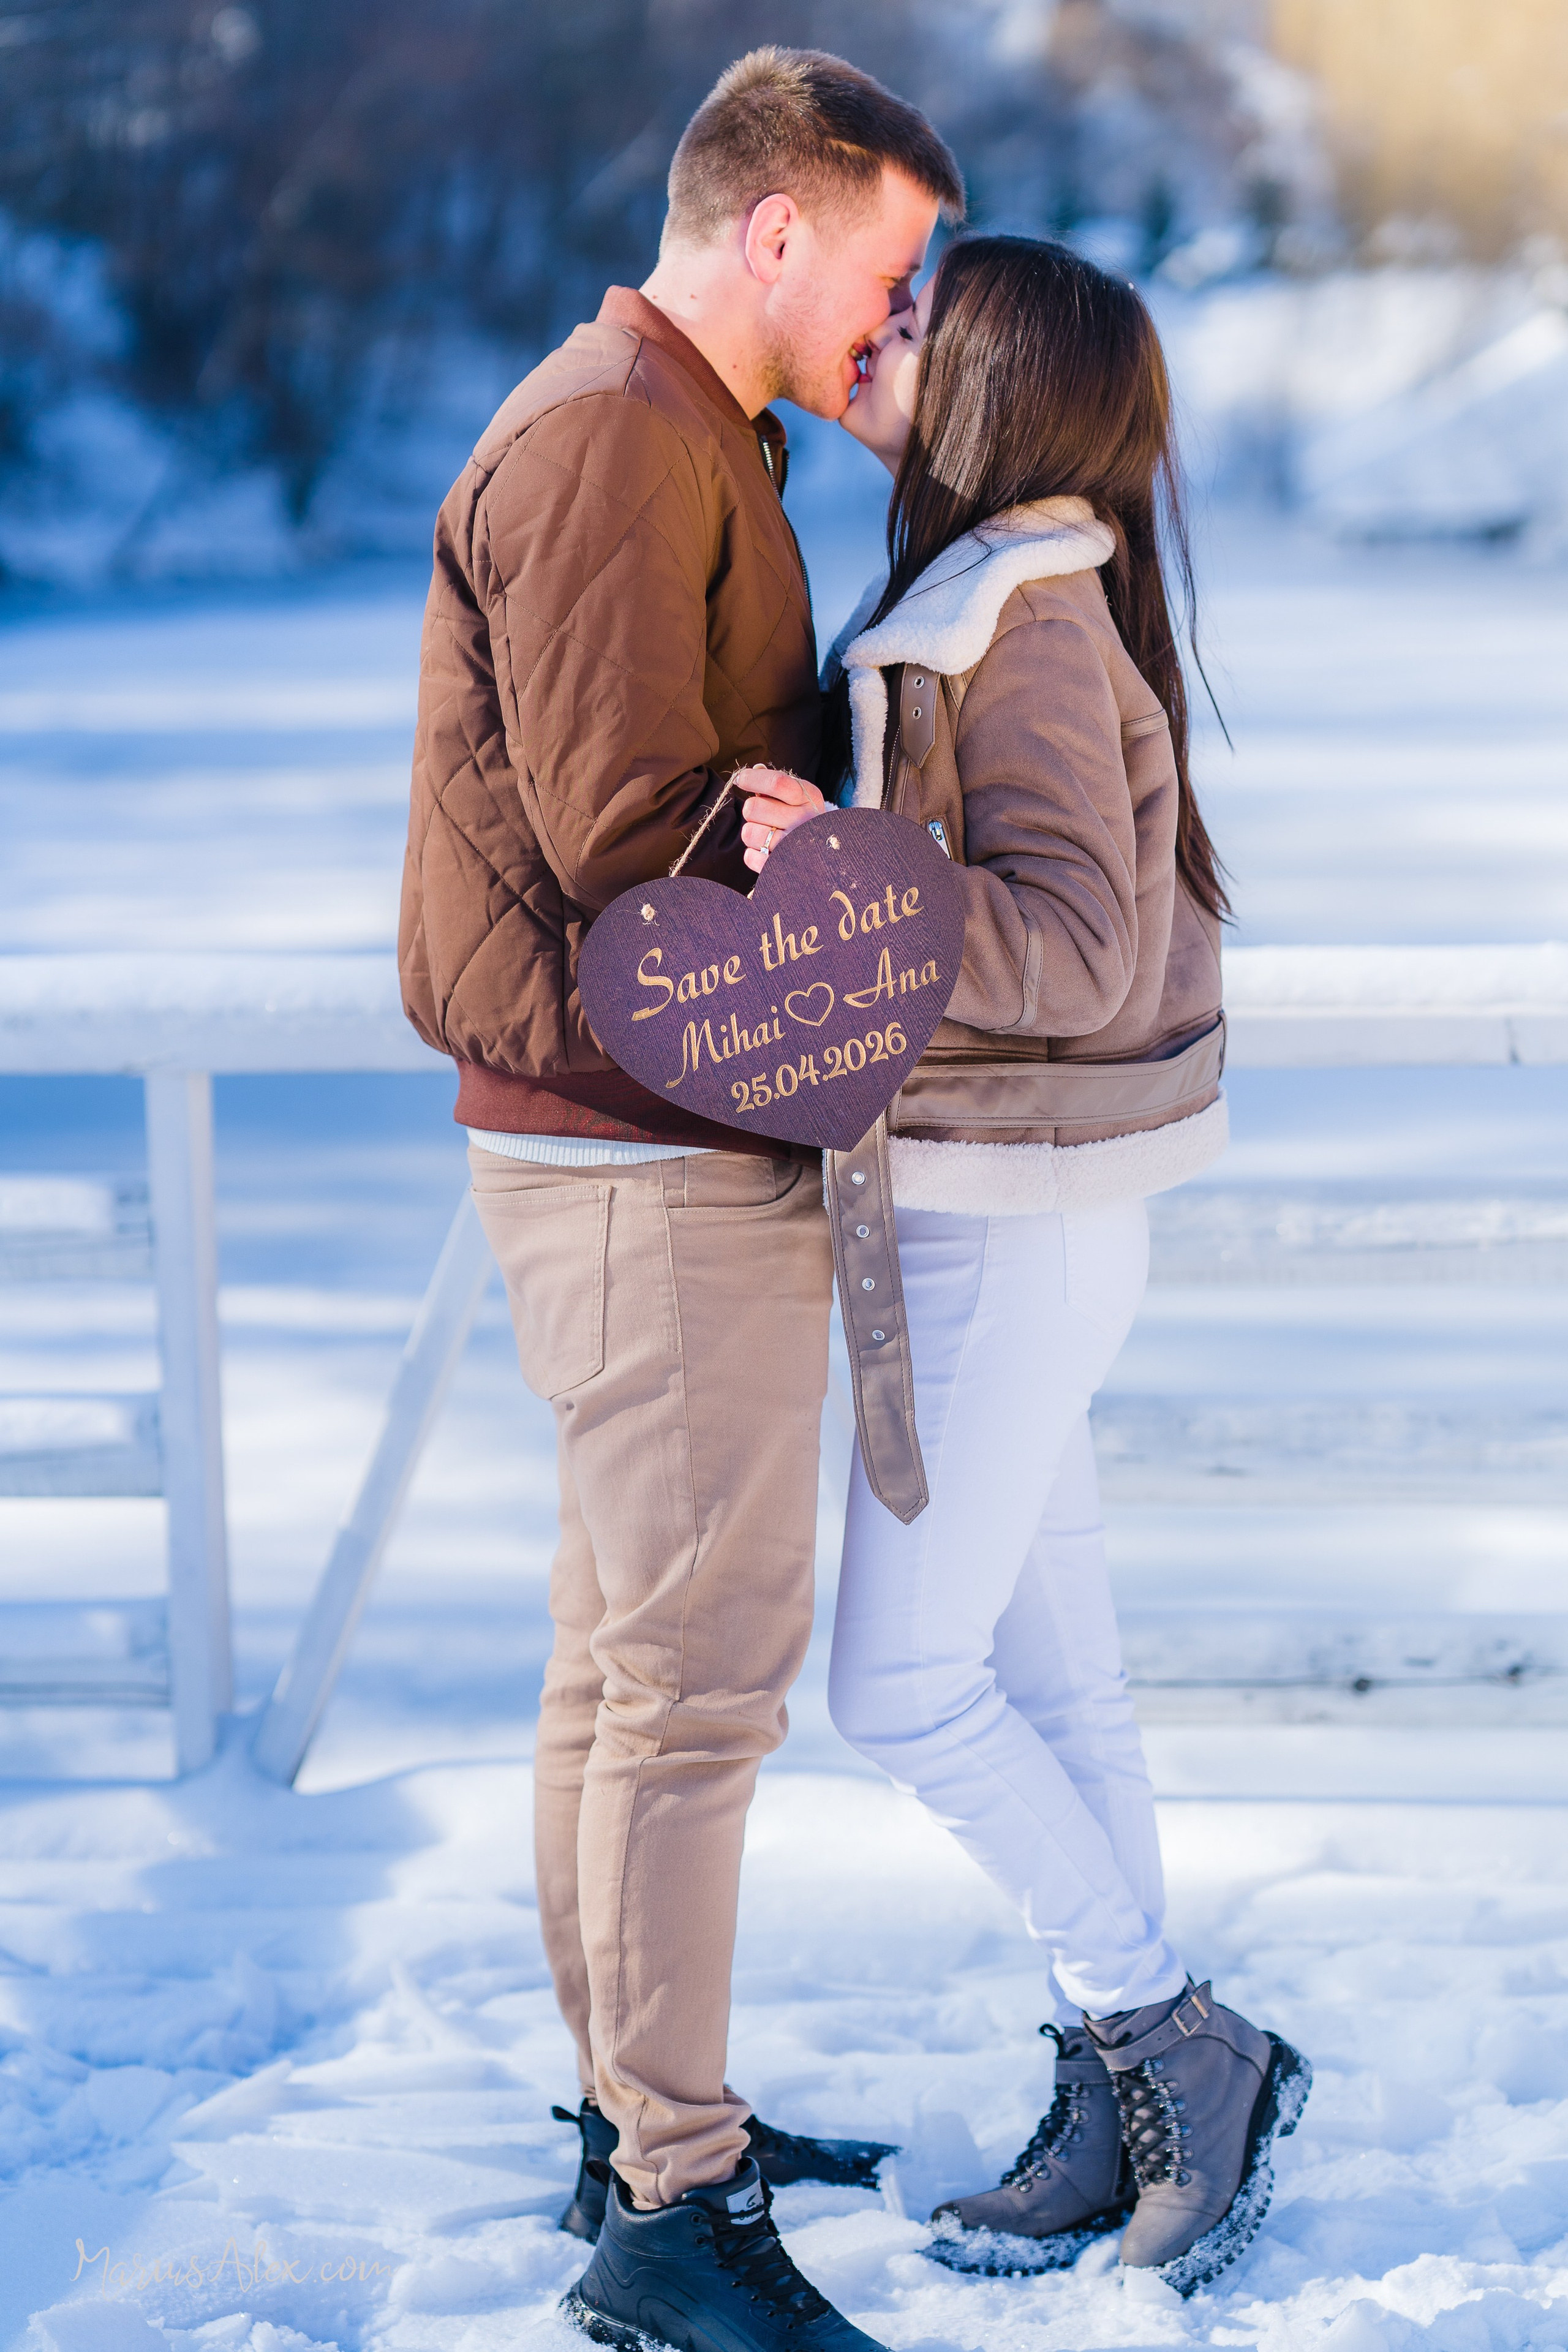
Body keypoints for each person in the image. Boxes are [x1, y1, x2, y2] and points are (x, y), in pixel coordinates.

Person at [399, 46, 963, 2352]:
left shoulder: (683, 428)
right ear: (773, 227)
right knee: (694, 1693)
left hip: (624, 1130)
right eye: (894, 267)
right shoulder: (622, 439)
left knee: (622, 1670)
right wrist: (848, 848)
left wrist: (801, 791)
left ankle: (640, 2129)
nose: (899, 323)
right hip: (641, 1139)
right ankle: (673, 2208)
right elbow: (644, 851)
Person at [741, 236, 1311, 2300]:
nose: (877, 339)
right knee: (1059, 1685)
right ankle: (1128, 2098)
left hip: (1021, 1226)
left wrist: (844, 876)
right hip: (1004, 1214)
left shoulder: (1033, 608)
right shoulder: (985, 594)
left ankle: (1179, 2041)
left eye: (916, 325)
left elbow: (1069, 944)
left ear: (993, 388)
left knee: (898, 1687)